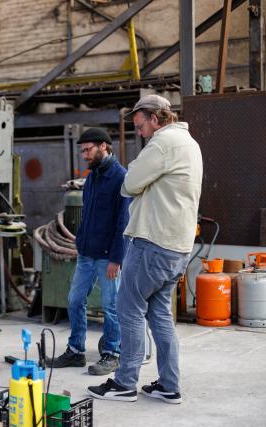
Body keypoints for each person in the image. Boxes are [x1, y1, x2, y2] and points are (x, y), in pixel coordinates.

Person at [88, 94, 202, 404]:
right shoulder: (190, 143)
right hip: (177, 248)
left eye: (141, 126)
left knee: (129, 310)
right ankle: (169, 384)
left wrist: (140, 170)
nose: (140, 132)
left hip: (152, 243)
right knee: (159, 315)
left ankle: (125, 383)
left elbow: (129, 183)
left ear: (156, 118)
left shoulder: (163, 144)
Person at [52, 128, 130, 376]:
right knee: (75, 300)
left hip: (108, 256)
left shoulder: (120, 177)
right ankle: (76, 351)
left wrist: (116, 258)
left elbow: (123, 222)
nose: (84, 155)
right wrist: (81, 244)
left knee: (111, 306)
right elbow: (87, 216)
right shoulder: (93, 177)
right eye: (82, 150)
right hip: (86, 254)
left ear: (104, 147)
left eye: (88, 150)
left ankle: (112, 354)